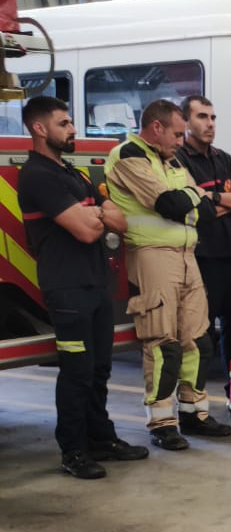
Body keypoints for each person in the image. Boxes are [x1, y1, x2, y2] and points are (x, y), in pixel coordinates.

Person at [17, 96, 149, 479]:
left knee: (100, 368)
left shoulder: (74, 174)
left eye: (72, 122)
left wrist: (98, 212)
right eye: (64, 123)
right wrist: (96, 214)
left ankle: (101, 438)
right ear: (40, 129)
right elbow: (87, 229)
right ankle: (73, 451)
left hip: (94, 285)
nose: (73, 129)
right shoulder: (37, 175)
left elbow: (119, 221)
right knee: (77, 371)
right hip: (67, 288)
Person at [105, 99, 231, 450]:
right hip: (152, 256)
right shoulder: (129, 155)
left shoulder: (171, 158)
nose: (181, 140)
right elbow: (173, 205)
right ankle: (162, 422)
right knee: (163, 344)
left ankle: (194, 413)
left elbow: (203, 210)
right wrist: (194, 200)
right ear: (157, 127)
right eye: (177, 133)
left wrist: (194, 201)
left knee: (198, 340)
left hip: (187, 255)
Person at [175, 95, 231, 377]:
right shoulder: (178, 159)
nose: (210, 124)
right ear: (185, 121)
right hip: (201, 259)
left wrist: (214, 197)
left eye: (213, 117)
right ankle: (193, 405)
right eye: (202, 117)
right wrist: (226, 198)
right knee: (201, 334)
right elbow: (192, 206)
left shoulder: (224, 158)